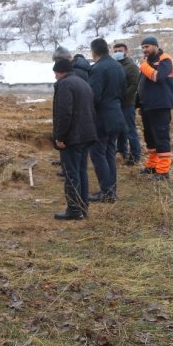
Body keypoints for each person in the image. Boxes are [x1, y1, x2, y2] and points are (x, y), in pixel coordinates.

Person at [51, 58, 97, 220]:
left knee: (71, 173)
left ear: (60, 71)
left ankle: (74, 210)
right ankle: (83, 207)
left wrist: (60, 137)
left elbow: (64, 113)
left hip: (72, 137)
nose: (55, 77)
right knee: (81, 171)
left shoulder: (65, 85)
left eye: (55, 73)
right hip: (86, 135)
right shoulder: (83, 83)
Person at [87, 38, 126, 203]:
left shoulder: (98, 69)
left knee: (97, 153)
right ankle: (111, 191)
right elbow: (123, 91)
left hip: (102, 116)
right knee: (109, 152)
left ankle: (105, 191)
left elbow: (94, 96)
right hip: (117, 114)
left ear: (94, 52)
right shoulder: (118, 66)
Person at [136, 36, 173, 180]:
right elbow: (141, 84)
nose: (144, 50)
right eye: (143, 47)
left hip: (160, 105)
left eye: (147, 46)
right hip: (148, 106)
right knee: (150, 137)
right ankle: (153, 165)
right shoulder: (148, 62)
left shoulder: (165, 59)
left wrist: (143, 66)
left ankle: (163, 171)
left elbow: (158, 77)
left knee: (161, 135)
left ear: (155, 46)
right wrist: (138, 103)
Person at [113, 43, 141, 165]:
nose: (117, 52)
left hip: (127, 103)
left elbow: (134, 84)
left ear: (126, 52)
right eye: (115, 51)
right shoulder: (115, 65)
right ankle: (122, 150)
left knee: (130, 129)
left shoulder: (131, 66)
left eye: (120, 50)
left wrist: (123, 96)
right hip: (117, 103)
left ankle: (135, 155)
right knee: (120, 129)